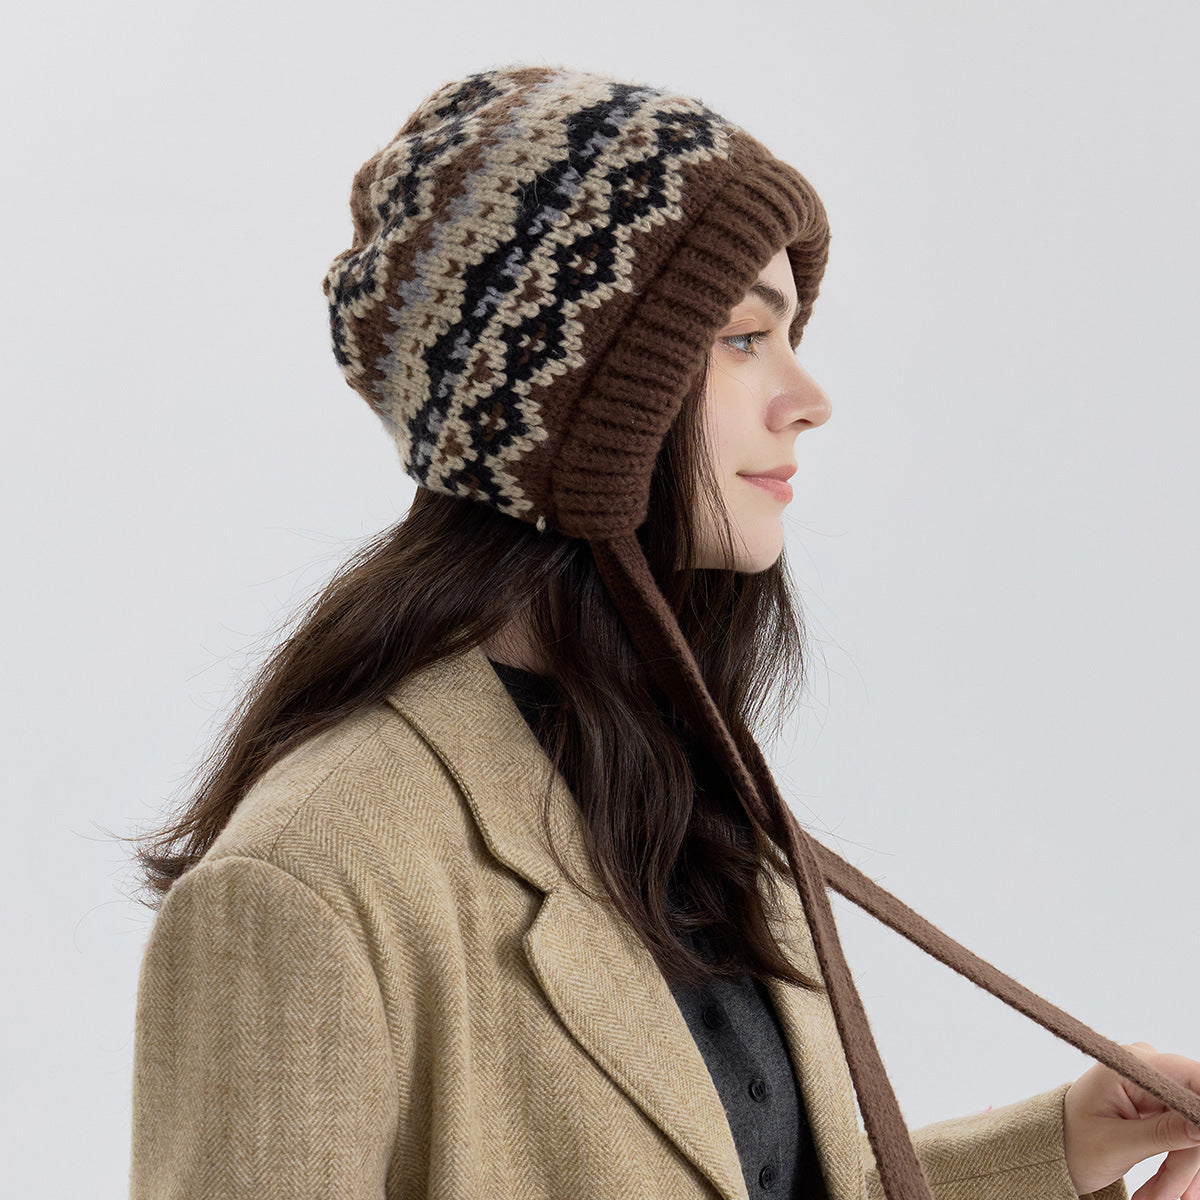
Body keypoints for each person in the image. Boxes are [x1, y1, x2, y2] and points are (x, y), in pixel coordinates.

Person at [128, 65, 1200, 1200]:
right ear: (587, 402)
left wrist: (1061, 1149)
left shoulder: (674, 773)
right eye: (745, 338)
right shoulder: (309, 883)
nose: (807, 396)